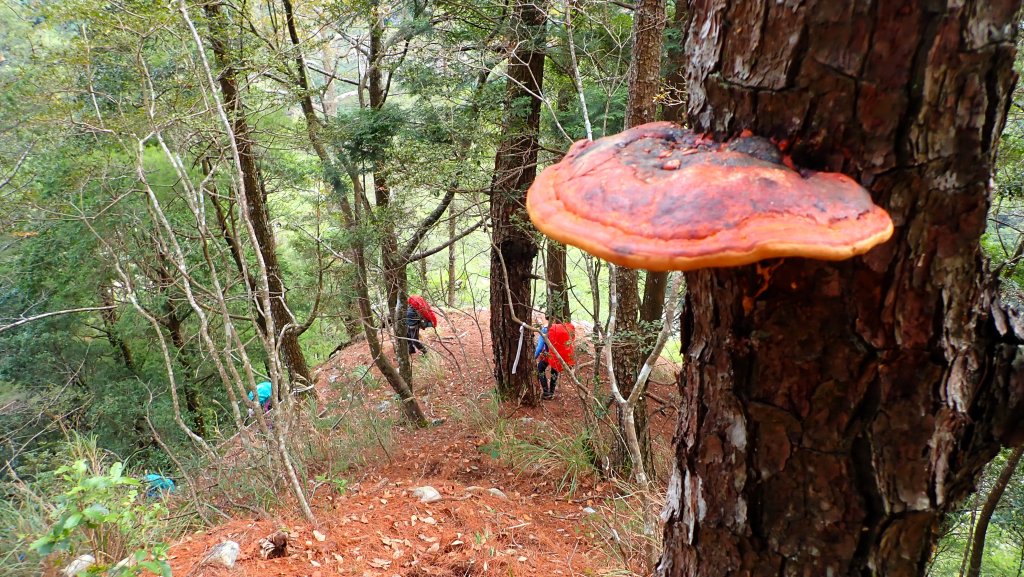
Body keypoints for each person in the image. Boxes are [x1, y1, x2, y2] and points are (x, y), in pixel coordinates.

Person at [535, 316, 576, 400]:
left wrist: (533, 357)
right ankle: (552, 392)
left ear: (545, 319)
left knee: (540, 368)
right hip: (558, 355)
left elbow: (539, 348)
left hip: (549, 354)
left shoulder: (545, 330)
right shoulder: (560, 329)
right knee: (554, 369)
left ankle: (546, 392)